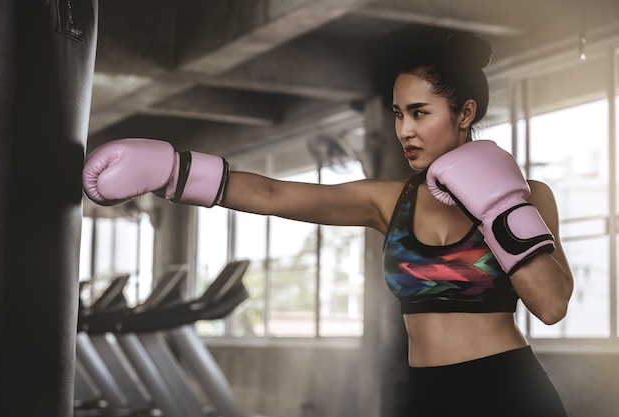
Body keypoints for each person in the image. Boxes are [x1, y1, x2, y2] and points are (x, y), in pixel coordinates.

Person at [82, 31, 573, 417]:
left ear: (465, 112)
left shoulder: (528, 197)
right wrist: (175, 170)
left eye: (420, 113)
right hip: (427, 397)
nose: (404, 130)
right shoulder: (388, 202)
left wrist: (498, 208)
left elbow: (550, 305)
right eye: (399, 113)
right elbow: (275, 194)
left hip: (511, 393)